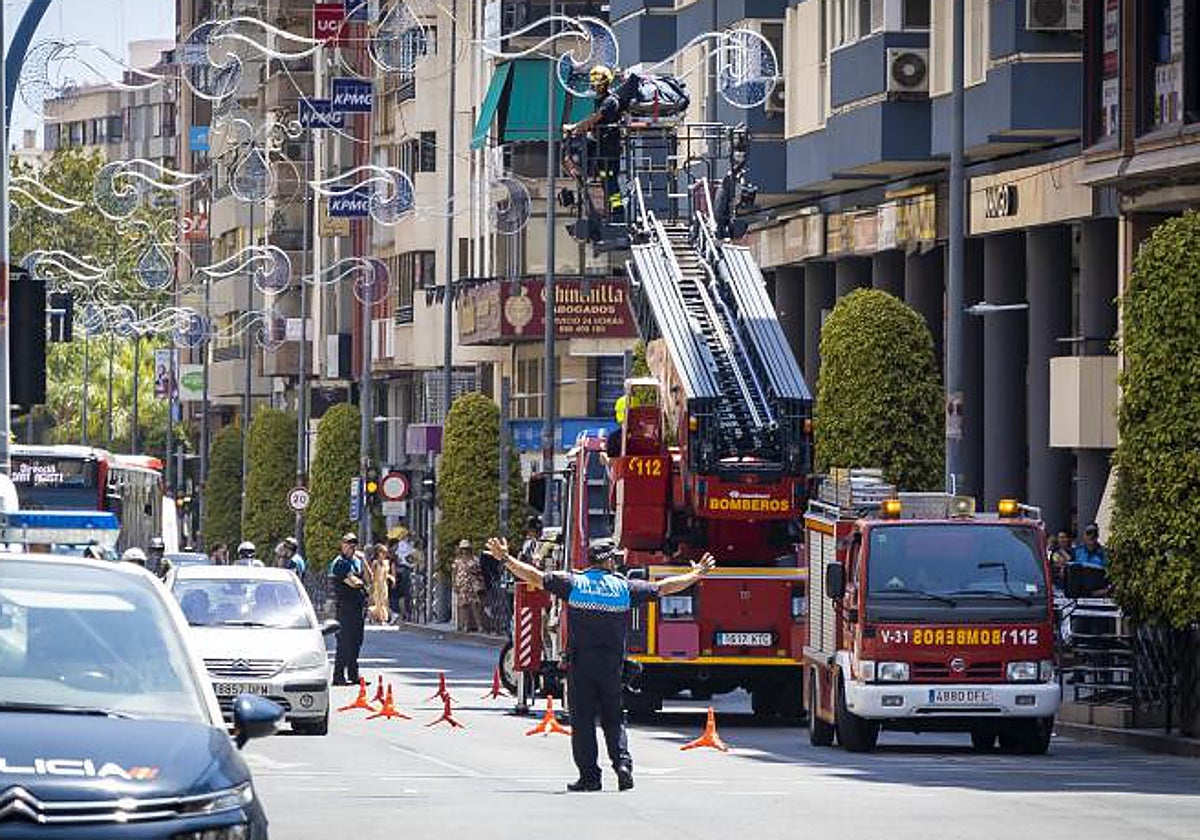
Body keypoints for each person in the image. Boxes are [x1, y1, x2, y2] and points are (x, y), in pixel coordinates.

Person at [486, 535, 715, 793]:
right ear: (607, 562)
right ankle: (623, 765)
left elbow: (535, 576)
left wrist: (505, 558)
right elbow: (664, 587)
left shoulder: (574, 583)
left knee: (582, 722)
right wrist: (696, 574)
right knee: (614, 719)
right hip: (612, 667)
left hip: (581, 665)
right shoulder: (624, 588)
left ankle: (590, 777)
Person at [565, 65, 625, 220]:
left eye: (597, 83)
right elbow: (593, 119)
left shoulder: (610, 101)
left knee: (610, 181)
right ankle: (583, 172)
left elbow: (595, 118)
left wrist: (576, 127)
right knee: (606, 180)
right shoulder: (601, 100)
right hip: (602, 147)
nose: (594, 86)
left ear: (604, 84)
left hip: (609, 149)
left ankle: (618, 211)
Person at [329, 532, 367, 686]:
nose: (351, 547)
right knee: (344, 642)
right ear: (342, 545)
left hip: (357, 608)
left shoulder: (356, 562)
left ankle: (353, 674)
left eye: (353, 545)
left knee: (357, 641)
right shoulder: (340, 563)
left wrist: (364, 561)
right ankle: (338, 676)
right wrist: (361, 582)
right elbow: (354, 583)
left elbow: (367, 578)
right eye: (348, 544)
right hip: (345, 608)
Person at [453, 539, 485, 633]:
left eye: (466, 548)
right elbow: (454, 573)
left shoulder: (474, 560)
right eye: (463, 549)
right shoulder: (457, 561)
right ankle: (466, 625)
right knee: (464, 606)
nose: (464, 550)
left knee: (476, 605)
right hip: (462, 585)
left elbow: (479, 572)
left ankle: (480, 626)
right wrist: (454, 584)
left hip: (472, 585)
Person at [367, 543, 393, 624]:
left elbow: (385, 574)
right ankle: (382, 619)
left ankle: (374, 615)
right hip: (377, 584)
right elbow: (372, 574)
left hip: (384, 584)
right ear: (379, 553)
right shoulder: (375, 563)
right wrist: (371, 585)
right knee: (378, 602)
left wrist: (391, 577)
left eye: (386, 553)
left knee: (384, 601)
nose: (385, 555)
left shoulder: (386, 563)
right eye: (383, 553)